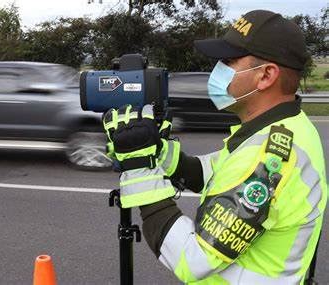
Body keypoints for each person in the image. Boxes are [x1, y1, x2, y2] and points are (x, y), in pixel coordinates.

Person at [102, 10, 327, 284]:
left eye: (228, 61)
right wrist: (157, 152)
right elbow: (213, 172)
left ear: (266, 76)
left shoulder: (267, 158)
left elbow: (192, 259)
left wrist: (138, 168)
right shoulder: (288, 126)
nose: (216, 70)